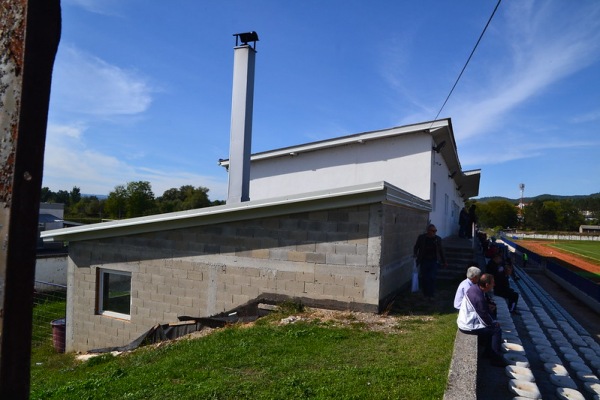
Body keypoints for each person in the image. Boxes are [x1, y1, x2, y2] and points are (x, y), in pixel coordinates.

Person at [457, 273, 506, 367]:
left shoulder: (475, 288)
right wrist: (494, 323)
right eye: (493, 283)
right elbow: (485, 320)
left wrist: (488, 308)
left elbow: (482, 310)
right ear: (487, 285)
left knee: (492, 324)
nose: (494, 285)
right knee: (496, 330)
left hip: (466, 319)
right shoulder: (478, 297)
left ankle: (488, 353)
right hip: (467, 325)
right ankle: (495, 359)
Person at [413, 224, 447, 298]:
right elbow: (416, 247)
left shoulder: (437, 239)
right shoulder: (422, 238)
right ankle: (425, 292)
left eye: (435, 231)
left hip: (434, 261)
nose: (434, 232)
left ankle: (431, 294)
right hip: (424, 260)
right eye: (433, 231)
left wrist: (444, 261)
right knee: (425, 277)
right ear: (428, 231)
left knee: (432, 277)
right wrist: (415, 254)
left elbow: (441, 251)